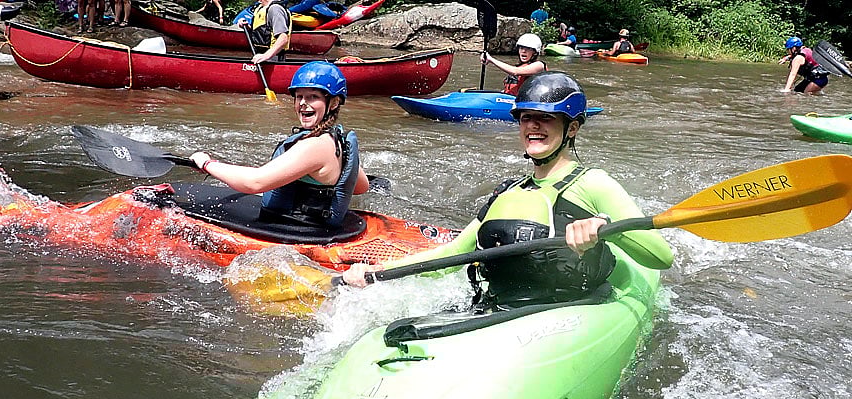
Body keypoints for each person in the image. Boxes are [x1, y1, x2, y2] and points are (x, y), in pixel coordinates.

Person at [342, 72, 673, 310]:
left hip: (565, 312)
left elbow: (661, 257)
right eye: (526, 118)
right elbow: (452, 256)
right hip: (501, 311)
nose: (533, 126)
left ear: (571, 128)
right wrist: (375, 274)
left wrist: (605, 229)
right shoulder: (507, 192)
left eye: (545, 118)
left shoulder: (593, 183)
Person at [188, 62, 369, 229]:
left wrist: (207, 164)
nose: (303, 103)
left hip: (297, 232)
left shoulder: (314, 145)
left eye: (313, 96)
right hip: (318, 227)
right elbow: (362, 186)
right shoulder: (337, 140)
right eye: (299, 97)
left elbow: (254, 182)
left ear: (334, 103)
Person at [482, 33, 547, 96]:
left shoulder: (539, 65)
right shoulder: (519, 67)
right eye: (521, 48)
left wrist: (491, 59)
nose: (523, 51)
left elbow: (515, 72)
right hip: (511, 100)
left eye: (528, 49)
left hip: (526, 104)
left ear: (535, 52)